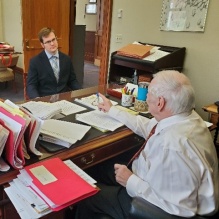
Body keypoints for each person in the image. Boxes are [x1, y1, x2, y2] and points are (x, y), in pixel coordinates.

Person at [74, 70, 219, 219]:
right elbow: (147, 126)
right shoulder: (186, 118)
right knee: (98, 169)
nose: (144, 96)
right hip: (150, 178)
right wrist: (112, 110)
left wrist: (130, 180)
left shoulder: (173, 146)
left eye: (148, 93)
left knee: (86, 195)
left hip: (157, 206)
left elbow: (178, 208)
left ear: (160, 102)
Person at [26, 27, 81, 99]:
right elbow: (31, 85)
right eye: (48, 42)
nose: (52, 43)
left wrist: (82, 92)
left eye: (53, 39)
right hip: (45, 100)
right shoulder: (35, 62)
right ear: (42, 45)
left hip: (64, 99)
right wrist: (37, 100)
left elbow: (72, 80)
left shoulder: (67, 59)